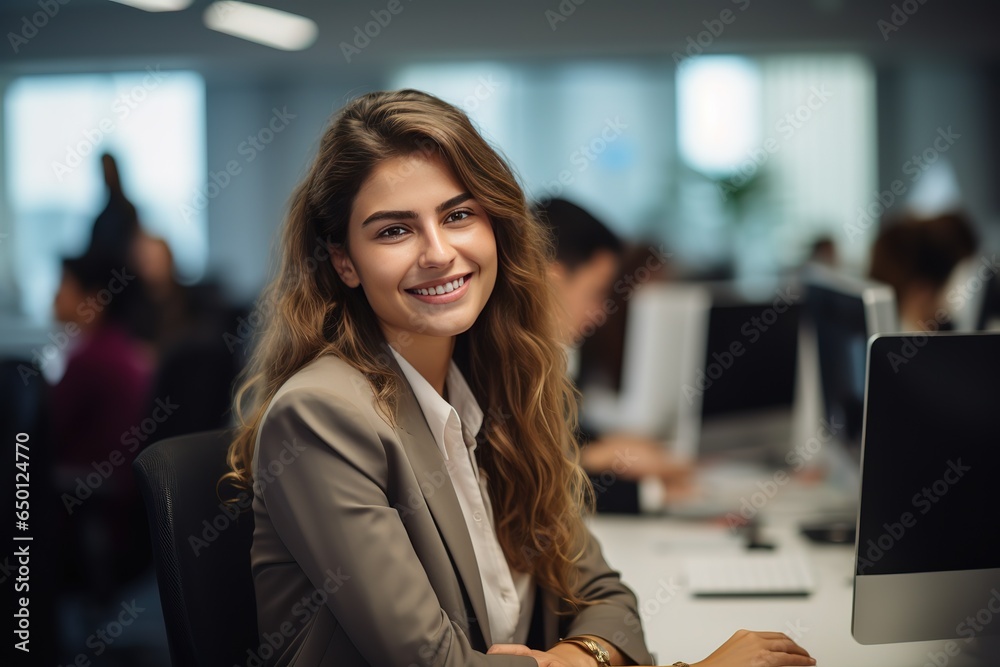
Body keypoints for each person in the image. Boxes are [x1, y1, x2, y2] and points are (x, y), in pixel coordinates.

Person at [225, 90, 815, 667]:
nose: (437, 252)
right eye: (394, 231)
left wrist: (577, 655)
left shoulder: (500, 389)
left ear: (496, 228)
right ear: (344, 261)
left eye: (458, 215)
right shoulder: (323, 417)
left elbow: (607, 597)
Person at [535, 199, 691, 513]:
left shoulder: (549, 358)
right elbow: (536, 483)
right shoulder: (501, 364)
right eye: (595, 292)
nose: (600, 314)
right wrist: (653, 491)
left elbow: (566, 440)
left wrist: (608, 446)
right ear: (551, 281)